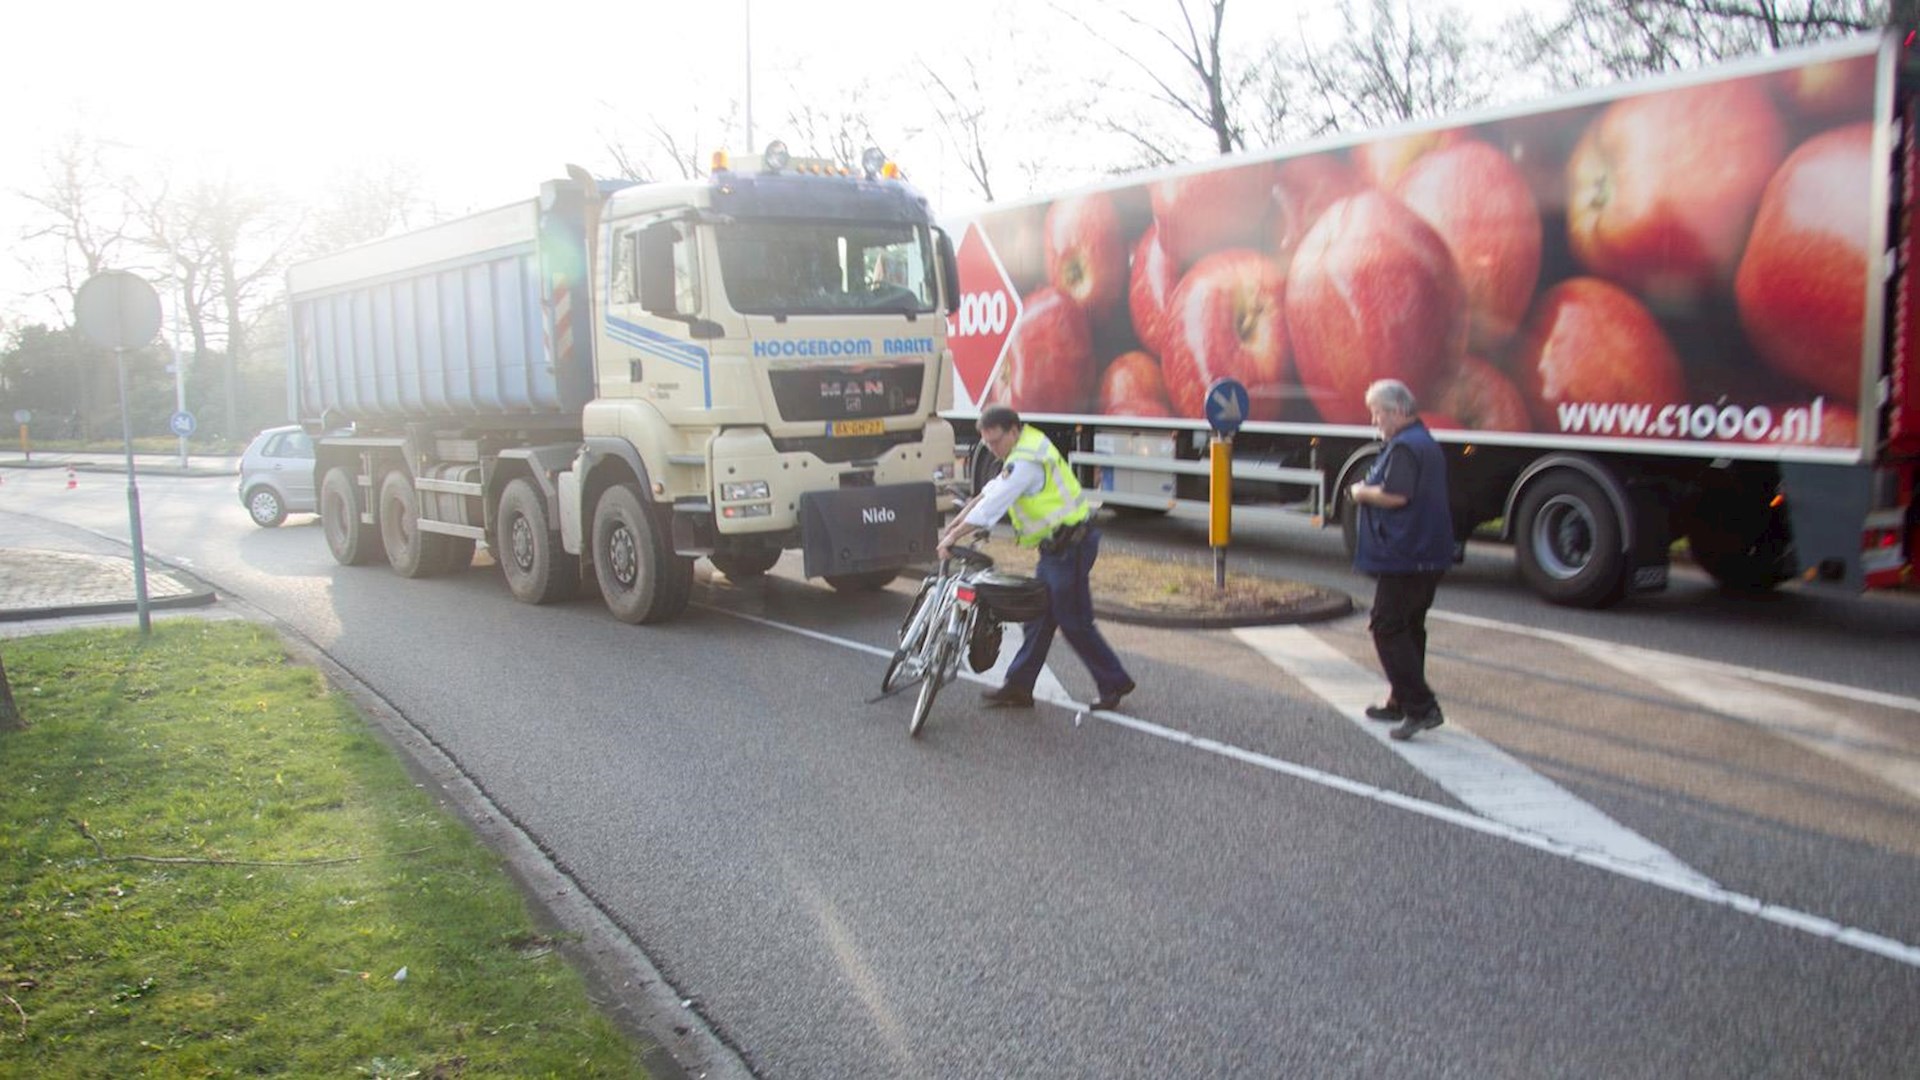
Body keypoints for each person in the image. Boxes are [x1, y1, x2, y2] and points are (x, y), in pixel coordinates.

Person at [938, 404, 1136, 713]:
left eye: (995, 441)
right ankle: (1019, 686)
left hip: (1071, 547)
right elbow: (988, 494)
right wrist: (956, 522)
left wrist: (953, 537)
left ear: (1013, 431)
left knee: (1074, 622)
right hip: (1059, 548)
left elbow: (993, 507)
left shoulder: (1026, 461)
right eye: (986, 443)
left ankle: (1114, 682)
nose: (992, 449)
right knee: (1039, 618)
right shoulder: (1022, 450)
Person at [1348, 379, 1455, 741]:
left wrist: (1361, 492)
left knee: (1387, 625)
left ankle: (1421, 707)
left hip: (1407, 555)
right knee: (1409, 628)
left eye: (1377, 413)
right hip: (1425, 554)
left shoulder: (1406, 448)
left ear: (1396, 411)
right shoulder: (1420, 442)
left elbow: (1396, 496)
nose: (1374, 421)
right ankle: (1400, 699)